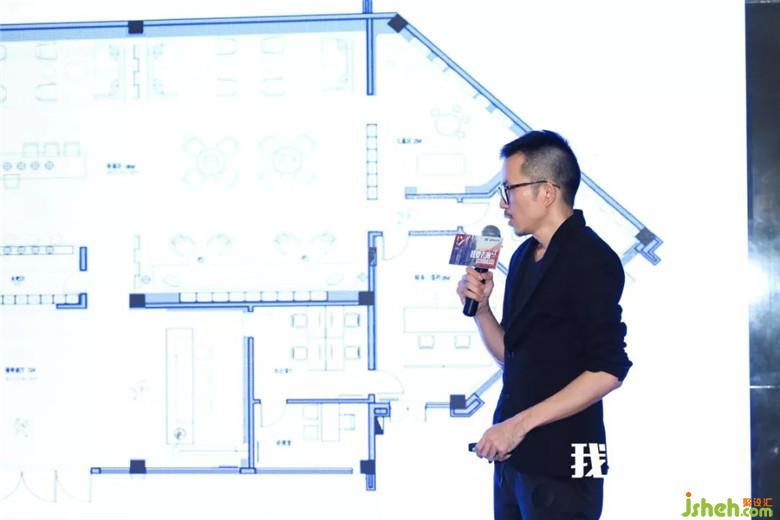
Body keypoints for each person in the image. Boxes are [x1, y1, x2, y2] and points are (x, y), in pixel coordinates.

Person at [456, 130, 632, 520]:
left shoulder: (592, 259)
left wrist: (517, 426)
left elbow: (609, 369)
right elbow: (514, 357)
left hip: (570, 462)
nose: (503, 203)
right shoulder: (523, 257)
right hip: (514, 461)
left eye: (510, 189)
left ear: (547, 192)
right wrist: (482, 310)